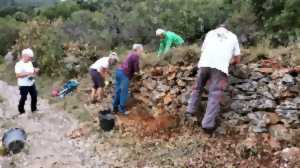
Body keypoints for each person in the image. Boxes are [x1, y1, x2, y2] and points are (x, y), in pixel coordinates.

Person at [185, 23, 241, 134]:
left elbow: (203, 51)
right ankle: (207, 125)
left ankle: (190, 110)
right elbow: (237, 58)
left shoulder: (210, 33)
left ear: (217, 28)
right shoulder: (233, 36)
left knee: (197, 88)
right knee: (214, 95)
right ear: (227, 29)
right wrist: (230, 61)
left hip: (204, 64)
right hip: (219, 67)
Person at [112, 44, 144, 115]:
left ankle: (114, 108)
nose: (142, 52)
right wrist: (140, 73)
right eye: (141, 50)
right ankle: (122, 110)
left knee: (118, 91)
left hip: (119, 72)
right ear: (138, 49)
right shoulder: (135, 55)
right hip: (124, 75)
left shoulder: (130, 53)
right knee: (124, 92)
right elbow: (136, 69)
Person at [15, 48, 40, 114]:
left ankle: (34, 109)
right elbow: (17, 75)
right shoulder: (18, 64)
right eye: (29, 57)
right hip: (23, 85)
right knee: (24, 98)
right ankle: (21, 111)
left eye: (31, 58)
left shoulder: (30, 63)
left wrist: (35, 70)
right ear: (25, 56)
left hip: (31, 83)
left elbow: (31, 69)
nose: (30, 59)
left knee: (34, 95)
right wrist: (27, 73)